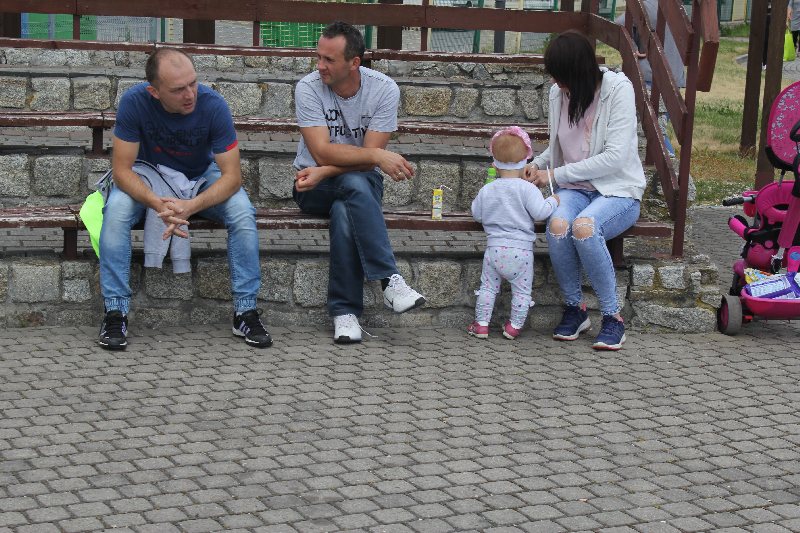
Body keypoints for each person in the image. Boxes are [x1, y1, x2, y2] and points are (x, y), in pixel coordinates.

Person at [98, 47, 272, 351]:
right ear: (154, 92)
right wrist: (157, 203)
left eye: (193, 83)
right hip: (147, 175)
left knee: (243, 212)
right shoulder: (134, 102)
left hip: (200, 177)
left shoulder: (213, 105)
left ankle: (245, 311)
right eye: (178, 89)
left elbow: (233, 177)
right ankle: (115, 312)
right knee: (115, 210)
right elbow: (122, 171)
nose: (190, 94)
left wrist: (189, 207)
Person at [292, 21, 426, 344]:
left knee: (344, 210)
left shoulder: (383, 89)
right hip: (311, 186)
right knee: (353, 185)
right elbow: (321, 152)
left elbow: (361, 163)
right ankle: (389, 280)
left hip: (348, 181)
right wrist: (376, 155)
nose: (320, 65)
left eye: (329, 59)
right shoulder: (308, 88)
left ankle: (344, 313)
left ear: (354, 62)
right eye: (318, 57)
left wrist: (328, 170)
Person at [525, 31, 646, 351]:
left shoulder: (618, 90)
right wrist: (536, 165)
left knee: (584, 228)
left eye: (561, 76)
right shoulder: (559, 93)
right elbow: (559, 146)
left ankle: (612, 317)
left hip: (617, 190)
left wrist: (553, 174)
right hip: (574, 189)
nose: (556, 82)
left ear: (577, 72)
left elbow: (614, 158)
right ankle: (575, 309)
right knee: (557, 225)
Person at [468, 126, 559, 340]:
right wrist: (553, 201)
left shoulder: (488, 189)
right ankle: (514, 327)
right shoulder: (528, 189)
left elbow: (477, 214)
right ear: (526, 162)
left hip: (494, 250)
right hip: (521, 253)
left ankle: (481, 324)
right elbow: (540, 212)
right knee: (521, 292)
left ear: (494, 164)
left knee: (488, 288)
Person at [615, 0, 685, 157]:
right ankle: (668, 160)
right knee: (658, 128)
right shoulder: (677, 6)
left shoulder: (647, 4)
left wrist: (633, 47)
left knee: (651, 130)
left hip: (650, 73)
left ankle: (668, 160)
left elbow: (619, 24)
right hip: (675, 75)